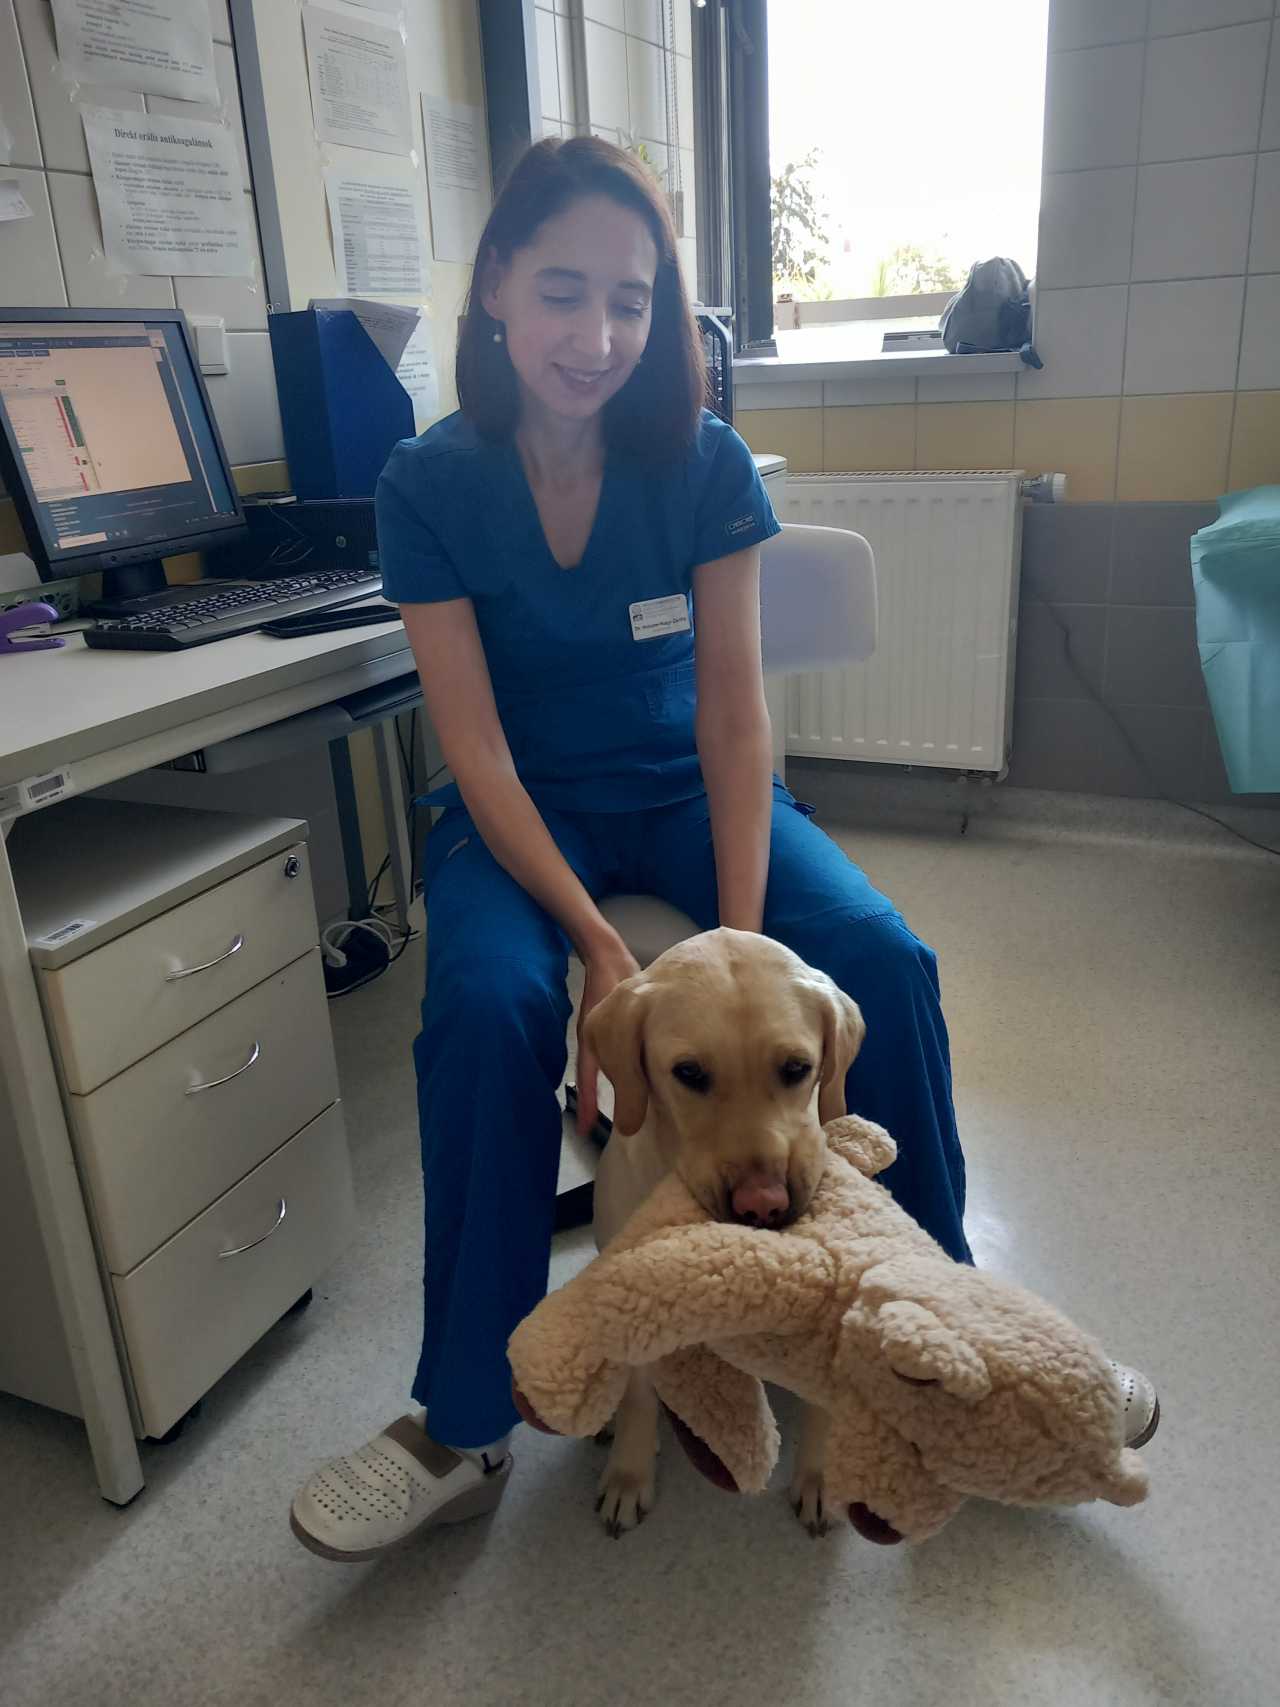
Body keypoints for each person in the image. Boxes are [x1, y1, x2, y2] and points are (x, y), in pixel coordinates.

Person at [289, 138, 1156, 1563]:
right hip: (526, 815)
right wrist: (602, 948)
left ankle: (952, 1342)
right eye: (563, 292)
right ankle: (466, 1417)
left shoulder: (698, 462)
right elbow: (479, 755)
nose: (597, 334)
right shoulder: (427, 483)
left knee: (880, 957)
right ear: (495, 285)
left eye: (630, 301)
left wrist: (740, 950)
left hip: (690, 790)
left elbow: (737, 716)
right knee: (487, 1011)